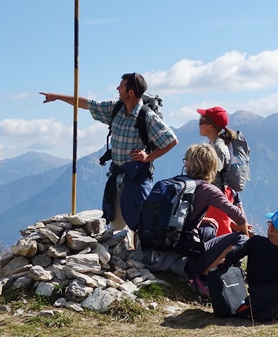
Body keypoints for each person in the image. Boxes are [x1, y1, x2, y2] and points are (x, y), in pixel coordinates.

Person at [40, 73, 177, 233]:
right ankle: (121, 256)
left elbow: (172, 140)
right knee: (116, 227)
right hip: (117, 177)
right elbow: (88, 104)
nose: (117, 88)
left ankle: (140, 256)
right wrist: (57, 97)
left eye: (121, 86)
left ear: (131, 92)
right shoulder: (116, 108)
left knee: (141, 224)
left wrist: (148, 158)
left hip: (137, 179)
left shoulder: (146, 117)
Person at [132, 143, 252, 277]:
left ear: (188, 164)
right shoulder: (208, 190)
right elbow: (239, 217)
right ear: (211, 167)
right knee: (241, 238)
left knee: (210, 226)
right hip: (180, 263)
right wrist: (246, 235)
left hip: (148, 255)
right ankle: (203, 278)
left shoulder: (174, 183)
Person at [196, 106, 239, 237]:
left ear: (211, 126)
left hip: (216, 198)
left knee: (219, 235)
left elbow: (211, 174)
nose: (199, 124)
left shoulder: (218, 148)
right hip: (216, 196)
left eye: (201, 121)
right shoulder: (215, 145)